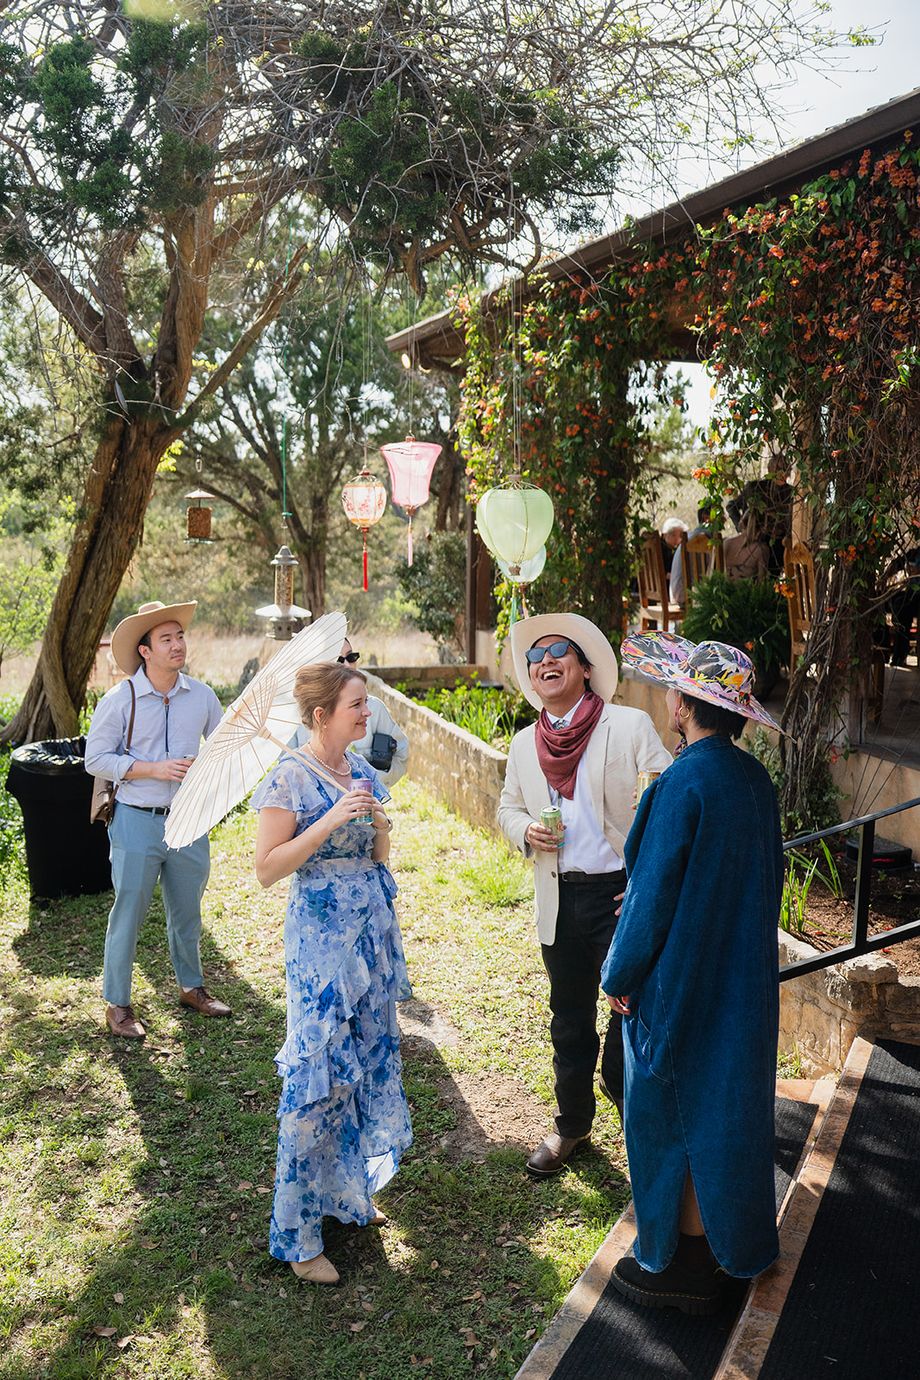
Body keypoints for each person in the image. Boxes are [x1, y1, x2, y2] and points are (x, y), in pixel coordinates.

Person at [600, 632, 785, 1316]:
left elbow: (650, 903)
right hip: (741, 975)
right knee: (729, 1107)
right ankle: (733, 1247)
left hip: (681, 980)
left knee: (669, 1110)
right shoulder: (753, 781)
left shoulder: (682, 784)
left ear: (683, 706)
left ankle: (682, 1261)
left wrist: (619, 973)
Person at [253, 662, 412, 1284]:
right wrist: (328, 820)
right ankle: (295, 1234)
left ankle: (344, 1194)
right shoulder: (288, 777)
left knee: (362, 1062)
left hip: (370, 932)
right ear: (321, 715)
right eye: (355, 705)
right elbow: (268, 868)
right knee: (317, 1075)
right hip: (321, 943)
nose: (366, 714)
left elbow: (377, 855)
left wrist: (377, 826)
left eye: (365, 704)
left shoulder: (363, 770)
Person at [498, 613, 672, 1177]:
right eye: (536, 656)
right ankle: (571, 1126)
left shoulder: (627, 726)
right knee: (569, 1019)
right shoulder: (526, 743)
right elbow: (507, 808)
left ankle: (643, 1127)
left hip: (621, 898)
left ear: (585, 668)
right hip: (558, 897)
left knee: (633, 1015)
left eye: (558, 652)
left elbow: (670, 804)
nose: (545, 661)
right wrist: (525, 830)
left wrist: (647, 882)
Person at [85, 600, 229, 1039]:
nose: (177, 645)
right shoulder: (119, 699)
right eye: (166, 639)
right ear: (144, 650)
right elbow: (95, 759)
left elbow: (223, 747)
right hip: (135, 819)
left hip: (189, 821)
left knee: (187, 911)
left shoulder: (202, 696)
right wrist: (153, 768)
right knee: (128, 912)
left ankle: (192, 987)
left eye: (180, 636)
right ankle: (118, 1005)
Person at [291, 639, 409, 786]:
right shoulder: (288, 775)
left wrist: (369, 782)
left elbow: (401, 753)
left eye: (351, 657)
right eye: (338, 660)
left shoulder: (359, 765)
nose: (347, 665)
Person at [726, 463, 792, 574]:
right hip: (756, 540)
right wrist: (741, 528)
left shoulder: (791, 492)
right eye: (779, 468)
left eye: (786, 468)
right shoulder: (755, 487)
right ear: (770, 470)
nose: (783, 472)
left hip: (780, 543)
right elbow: (732, 506)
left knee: (772, 578)